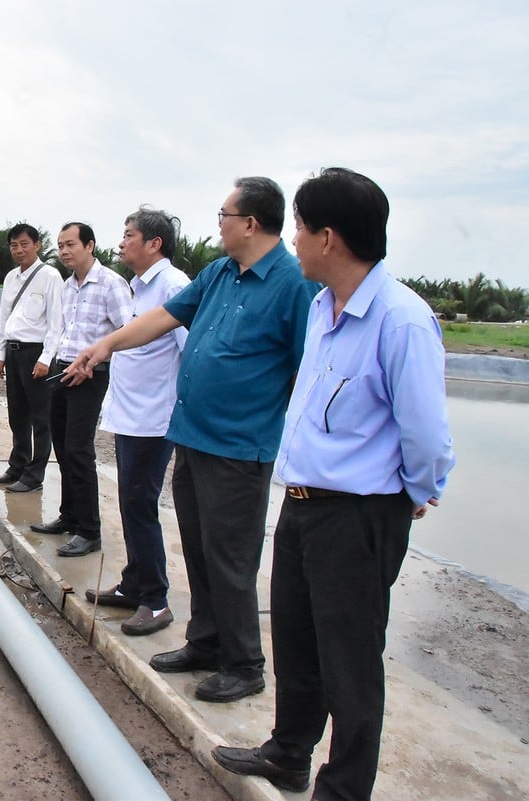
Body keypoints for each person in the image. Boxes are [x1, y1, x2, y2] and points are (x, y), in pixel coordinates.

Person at [211, 169, 455, 800]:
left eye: (298, 227)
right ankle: (289, 752)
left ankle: (343, 789)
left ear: (328, 237)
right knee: (296, 640)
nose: (292, 239)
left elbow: (427, 434)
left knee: (349, 661)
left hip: (359, 515)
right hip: (302, 505)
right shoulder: (323, 308)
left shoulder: (401, 320)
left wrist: (415, 491)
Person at [63, 177, 319, 702]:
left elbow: (308, 372)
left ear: (251, 223)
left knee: (231, 558)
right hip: (192, 436)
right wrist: (106, 345)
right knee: (200, 550)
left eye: (225, 215)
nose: (218, 224)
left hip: (240, 447)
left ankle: (244, 663)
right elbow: (163, 318)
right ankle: (205, 642)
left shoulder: (293, 285)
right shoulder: (220, 273)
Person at [84, 208, 190, 636]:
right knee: (129, 502)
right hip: (130, 416)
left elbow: (191, 352)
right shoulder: (138, 287)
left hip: (154, 419)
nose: (122, 242)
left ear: (154, 243)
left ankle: (156, 600)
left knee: (141, 504)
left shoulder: (174, 286)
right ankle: (134, 583)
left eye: (129, 235)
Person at [29, 222, 133, 557]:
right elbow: (63, 330)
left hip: (90, 375)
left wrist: (95, 359)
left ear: (90, 245)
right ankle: (69, 516)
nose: (64, 251)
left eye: (71, 244)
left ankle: (89, 531)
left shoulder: (111, 284)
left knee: (79, 450)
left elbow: (129, 332)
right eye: (60, 245)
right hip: (63, 371)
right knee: (62, 448)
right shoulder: (68, 286)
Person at [0, 224, 64, 495]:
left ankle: (35, 474)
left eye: (24, 244)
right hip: (13, 352)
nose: (19, 250)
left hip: (37, 354)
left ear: (37, 245)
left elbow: (56, 323)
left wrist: (46, 358)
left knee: (41, 418)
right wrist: (0, 354)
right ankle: (17, 465)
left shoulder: (50, 276)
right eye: (14, 245)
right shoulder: (11, 277)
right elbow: (4, 319)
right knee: (17, 414)